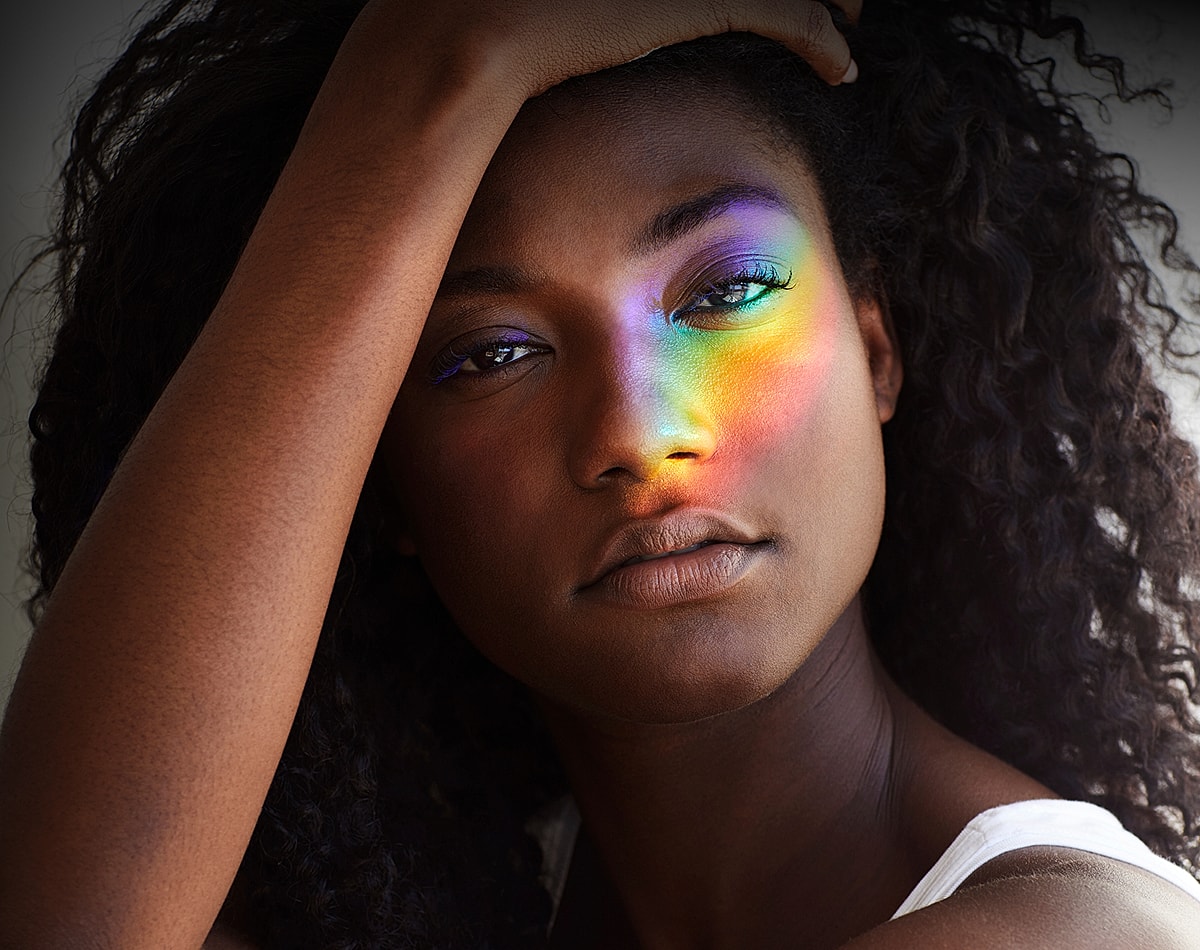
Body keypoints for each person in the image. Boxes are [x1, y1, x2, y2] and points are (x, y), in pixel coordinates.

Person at [1, 0, 1199, 946]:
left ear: (876, 345)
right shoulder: (463, 892)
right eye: (492, 353)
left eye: (727, 290)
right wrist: (423, 70)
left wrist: (433, 68)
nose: (639, 430)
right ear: (376, 474)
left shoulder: (1072, 932)